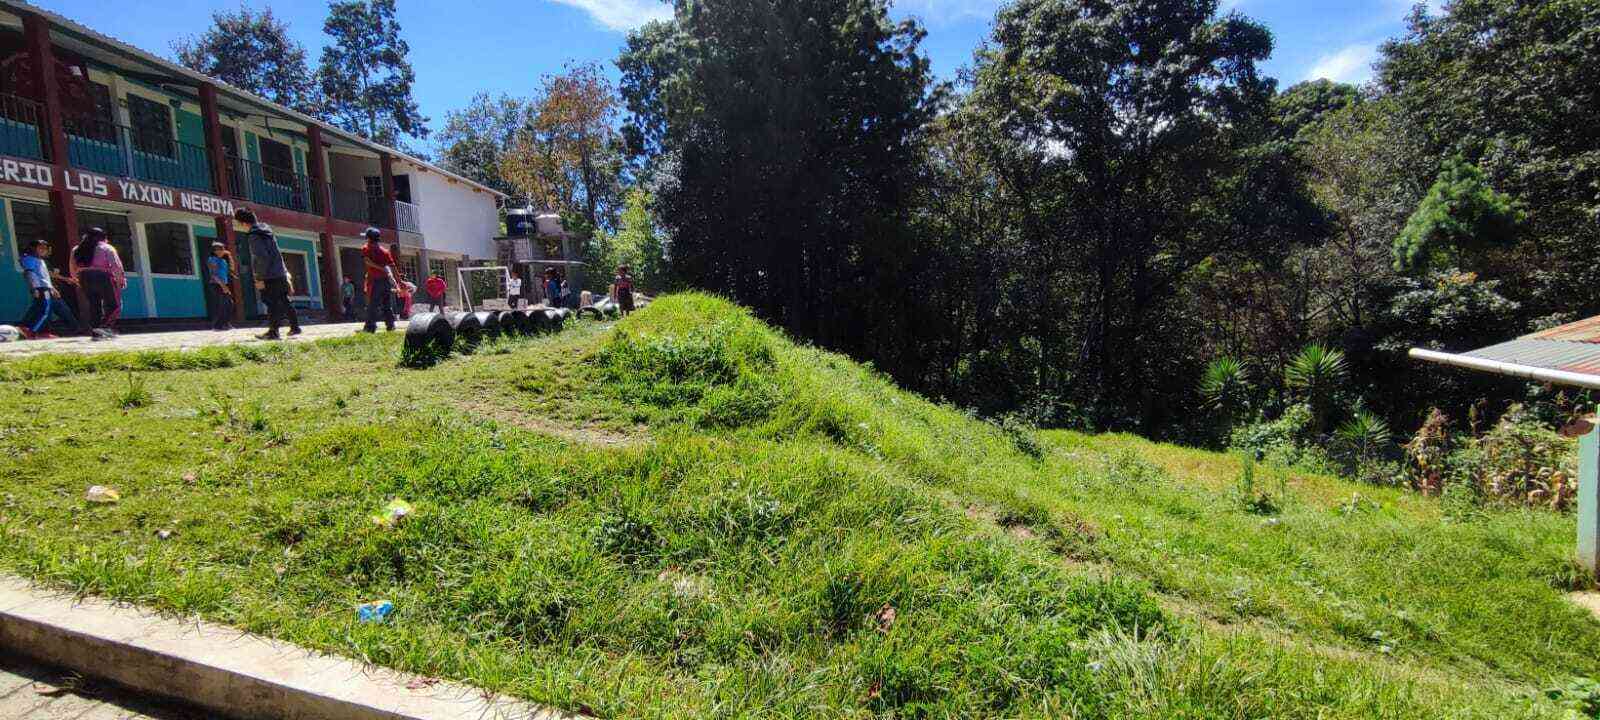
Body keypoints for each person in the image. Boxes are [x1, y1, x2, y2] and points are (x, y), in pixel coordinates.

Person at [235, 207, 301, 340]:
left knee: (270, 302)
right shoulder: (266, 231)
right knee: (284, 300)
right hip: (279, 272)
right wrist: (285, 272)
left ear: (243, 223)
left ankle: (273, 332)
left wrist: (259, 278)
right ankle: (295, 327)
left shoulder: (254, 235)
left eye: (238, 224)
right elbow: (276, 254)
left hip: (269, 275)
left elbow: (262, 257)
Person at [17, 240, 79, 339]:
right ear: (32, 248)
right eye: (41, 248)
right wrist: (34, 288)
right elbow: (30, 274)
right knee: (45, 311)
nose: (44, 250)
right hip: (41, 288)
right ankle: (33, 332)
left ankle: (41, 331)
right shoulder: (29, 259)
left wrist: (52, 288)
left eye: (45, 249)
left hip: (46, 288)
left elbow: (45, 277)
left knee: (40, 310)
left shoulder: (40, 260)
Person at [69, 227, 125, 334]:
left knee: (94, 304)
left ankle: (95, 329)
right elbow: (116, 266)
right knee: (113, 304)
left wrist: (75, 279)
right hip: (102, 276)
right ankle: (104, 327)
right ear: (103, 238)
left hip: (84, 277)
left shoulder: (77, 249)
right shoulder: (106, 248)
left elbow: (72, 265)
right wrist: (120, 280)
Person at [360, 228, 398, 332]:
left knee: (372, 305)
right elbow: (392, 266)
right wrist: (396, 280)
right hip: (385, 281)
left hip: (375, 281)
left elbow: (367, 262)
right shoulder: (385, 251)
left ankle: (370, 327)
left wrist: (383, 270)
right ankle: (390, 325)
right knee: (387, 304)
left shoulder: (366, 248)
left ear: (368, 238)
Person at [205, 242, 235, 331]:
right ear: (215, 251)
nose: (223, 251)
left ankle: (226, 324)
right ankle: (218, 325)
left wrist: (230, 256)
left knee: (229, 304)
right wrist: (223, 286)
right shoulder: (212, 259)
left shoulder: (223, 260)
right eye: (220, 249)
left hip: (223, 284)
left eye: (223, 249)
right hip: (216, 284)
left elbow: (232, 269)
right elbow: (214, 275)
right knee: (222, 304)